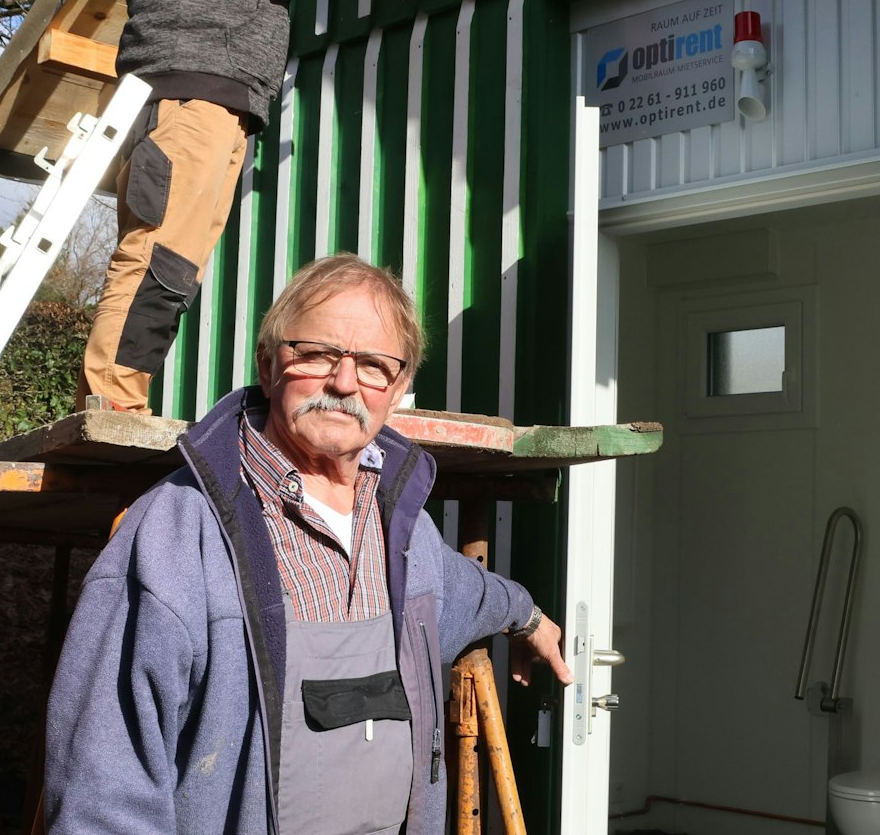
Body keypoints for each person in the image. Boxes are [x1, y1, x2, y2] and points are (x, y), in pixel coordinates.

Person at [45, 254, 571, 834]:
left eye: (373, 365)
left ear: (395, 391)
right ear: (268, 367)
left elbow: (463, 590)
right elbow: (104, 790)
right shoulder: (174, 541)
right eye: (316, 354)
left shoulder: (405, 530)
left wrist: (529, 618)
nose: (344, 382)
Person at [83, 0, 469, 413]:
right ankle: (113, 404)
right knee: (159, 254)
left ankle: (124, 399)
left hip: (224, 101)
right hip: (187, 94)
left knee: (178, 268)